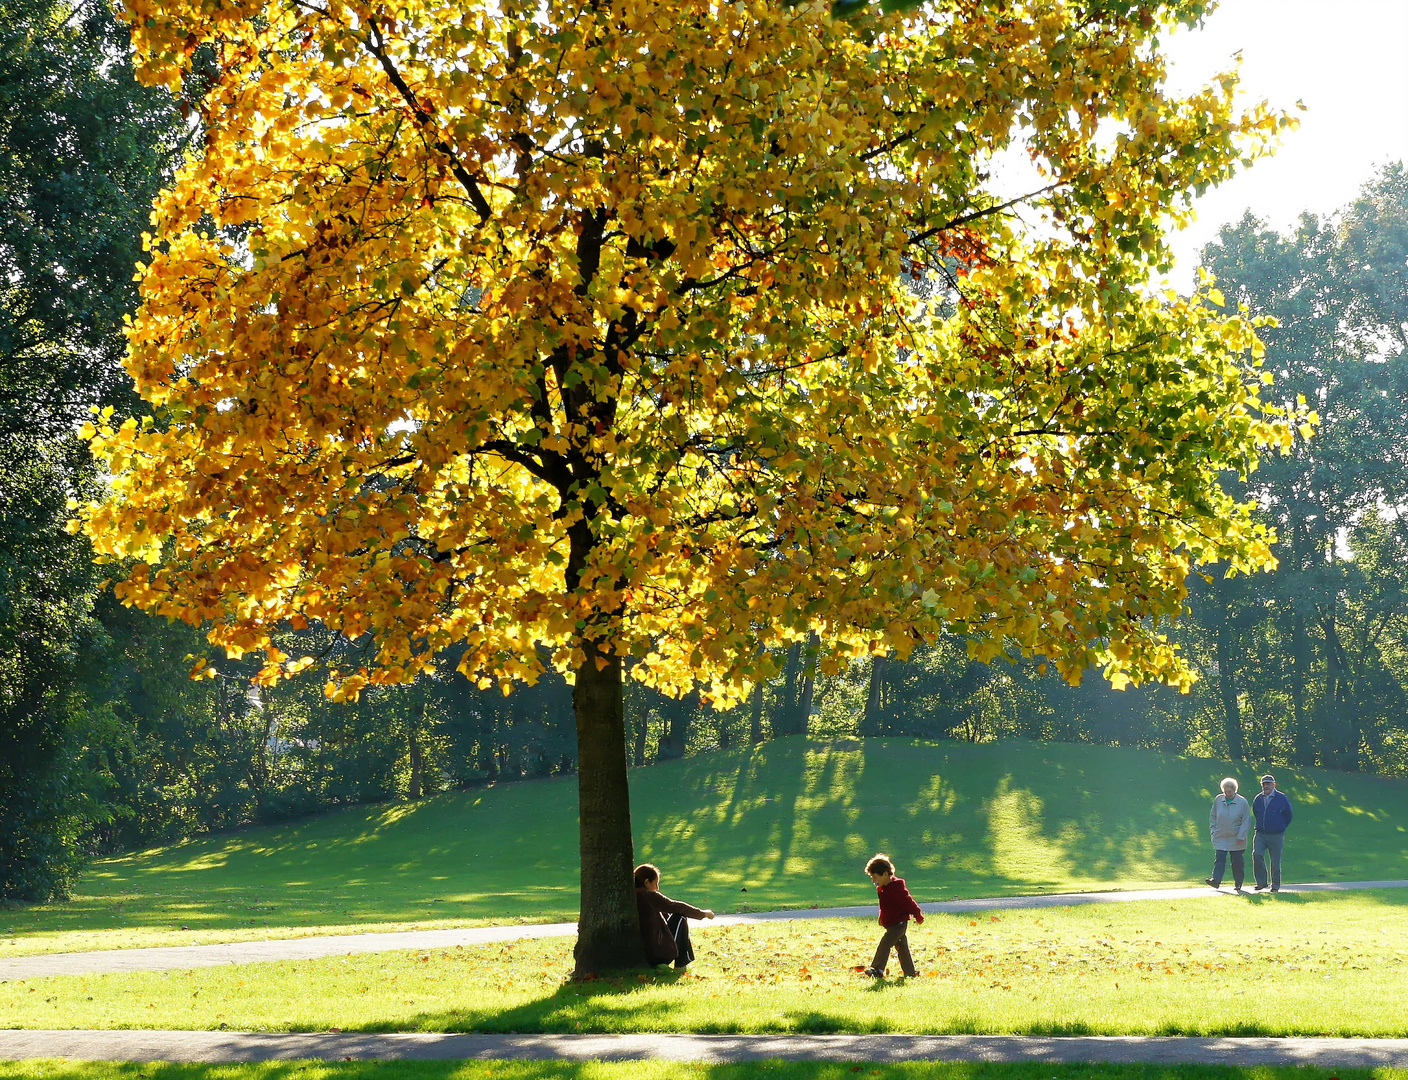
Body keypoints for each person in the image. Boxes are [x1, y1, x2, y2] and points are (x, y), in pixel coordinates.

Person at [634, 862, 715, 969]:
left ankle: (683, 961)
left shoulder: (633, 894)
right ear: (646, 882)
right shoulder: (648, 896)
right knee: (680, 918)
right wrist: (703, 914)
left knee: (677, 917)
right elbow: (675, 906)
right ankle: (682, 964)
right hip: (656, 955)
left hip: (643, 953)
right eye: (655, 883)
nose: (657, 888)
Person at [863, 853, 924, 977]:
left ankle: (877, 969)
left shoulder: (897, 888)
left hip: (899, 924)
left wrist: (918, 915)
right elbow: (885, 907)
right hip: (891, 923)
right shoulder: (883, 888)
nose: (874, 881)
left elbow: (909, 902)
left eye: (875, 877)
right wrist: (882, 919)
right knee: (902, 947)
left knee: (885, 944)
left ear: (885, 874)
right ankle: (910, 972)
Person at [1205, 777, 1251, 894]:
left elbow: (1246, 820)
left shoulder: (1242, 802)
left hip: (1236, 837)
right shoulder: (1218, 800)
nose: (1227, 793)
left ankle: (1238, 883)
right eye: (1225, 791)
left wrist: (1241, 835)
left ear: (1234, 790)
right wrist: (1213, 830)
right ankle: (1216, 880)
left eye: (1229, 791)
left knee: (1237, 861)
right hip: (1220, 836)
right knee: (1219, 859)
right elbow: (1213, 816)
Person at [1252, 773, 1293, 893]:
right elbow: (1256, 813)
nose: (1266, 786)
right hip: (1260, 833)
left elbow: (1288, 815)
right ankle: (1261, 882)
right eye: (1264, 784)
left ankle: (1275, 885)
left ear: (1274, 785)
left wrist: (1280, 827)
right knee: (1257, 854)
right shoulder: (1258, 799)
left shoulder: (1281, 798)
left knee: (1275, 861)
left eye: (1268, 784)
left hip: (1276, 835)